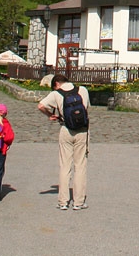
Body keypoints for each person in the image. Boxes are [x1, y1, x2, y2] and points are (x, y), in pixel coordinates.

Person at [37, 74, 90, 211]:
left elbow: (41, 105)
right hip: (82, 131)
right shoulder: (82, 90)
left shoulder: (56, 94)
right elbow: (86, 108)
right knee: (80, 166)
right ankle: (78, 202)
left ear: (56, 84)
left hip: (66, 129)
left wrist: (50, 115)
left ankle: (63, 201)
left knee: (65, 166)